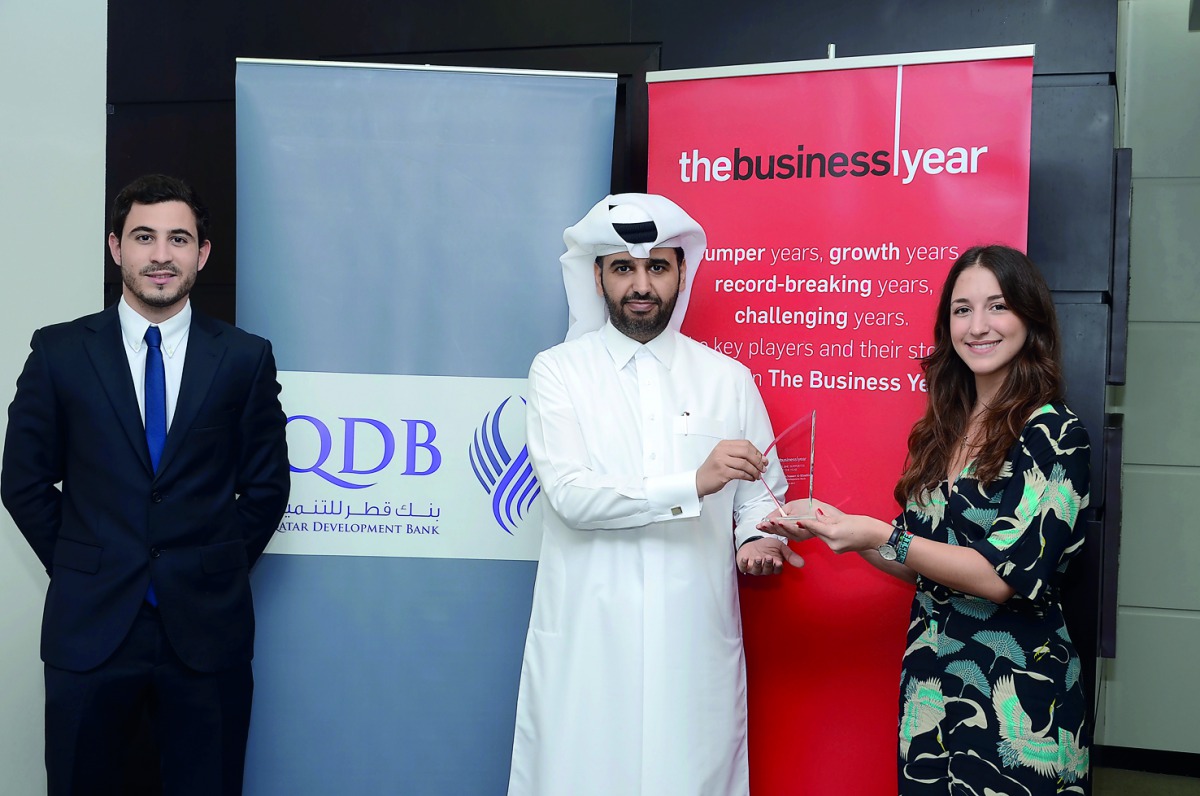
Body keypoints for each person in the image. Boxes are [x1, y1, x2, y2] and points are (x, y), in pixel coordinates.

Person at [762, 245, 1091, 794]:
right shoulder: (945, 431)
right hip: (931, 697)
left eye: (998, 306)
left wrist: (879, 533)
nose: (978, 326)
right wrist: (837, 526)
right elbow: (921, 563)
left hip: (1020, 703)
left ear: (1030, 319)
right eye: (962, 310)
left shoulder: (1054, 434)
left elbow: (1003, 577)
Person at [1, 174, 291, 795]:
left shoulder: (244, 358)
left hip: (207, 632)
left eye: (178, 239)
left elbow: (267, 489)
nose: (161, 254)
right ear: (116, 248)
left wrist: (211, 566)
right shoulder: (58, 353)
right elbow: (22, 480)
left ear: (202, 254)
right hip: (91, 629)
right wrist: (84, 565)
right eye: (144, 237)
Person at [507, 194, 801, 796]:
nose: (642, 286)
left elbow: (760, 499)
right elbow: (571, 496)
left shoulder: (728, 379)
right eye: (623, 268)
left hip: (691, 640)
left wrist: (757, 540)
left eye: (657, 268)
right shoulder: (558, 372)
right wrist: (694, 482)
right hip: (588, 639)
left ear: (681, 272)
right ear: (597, 277)